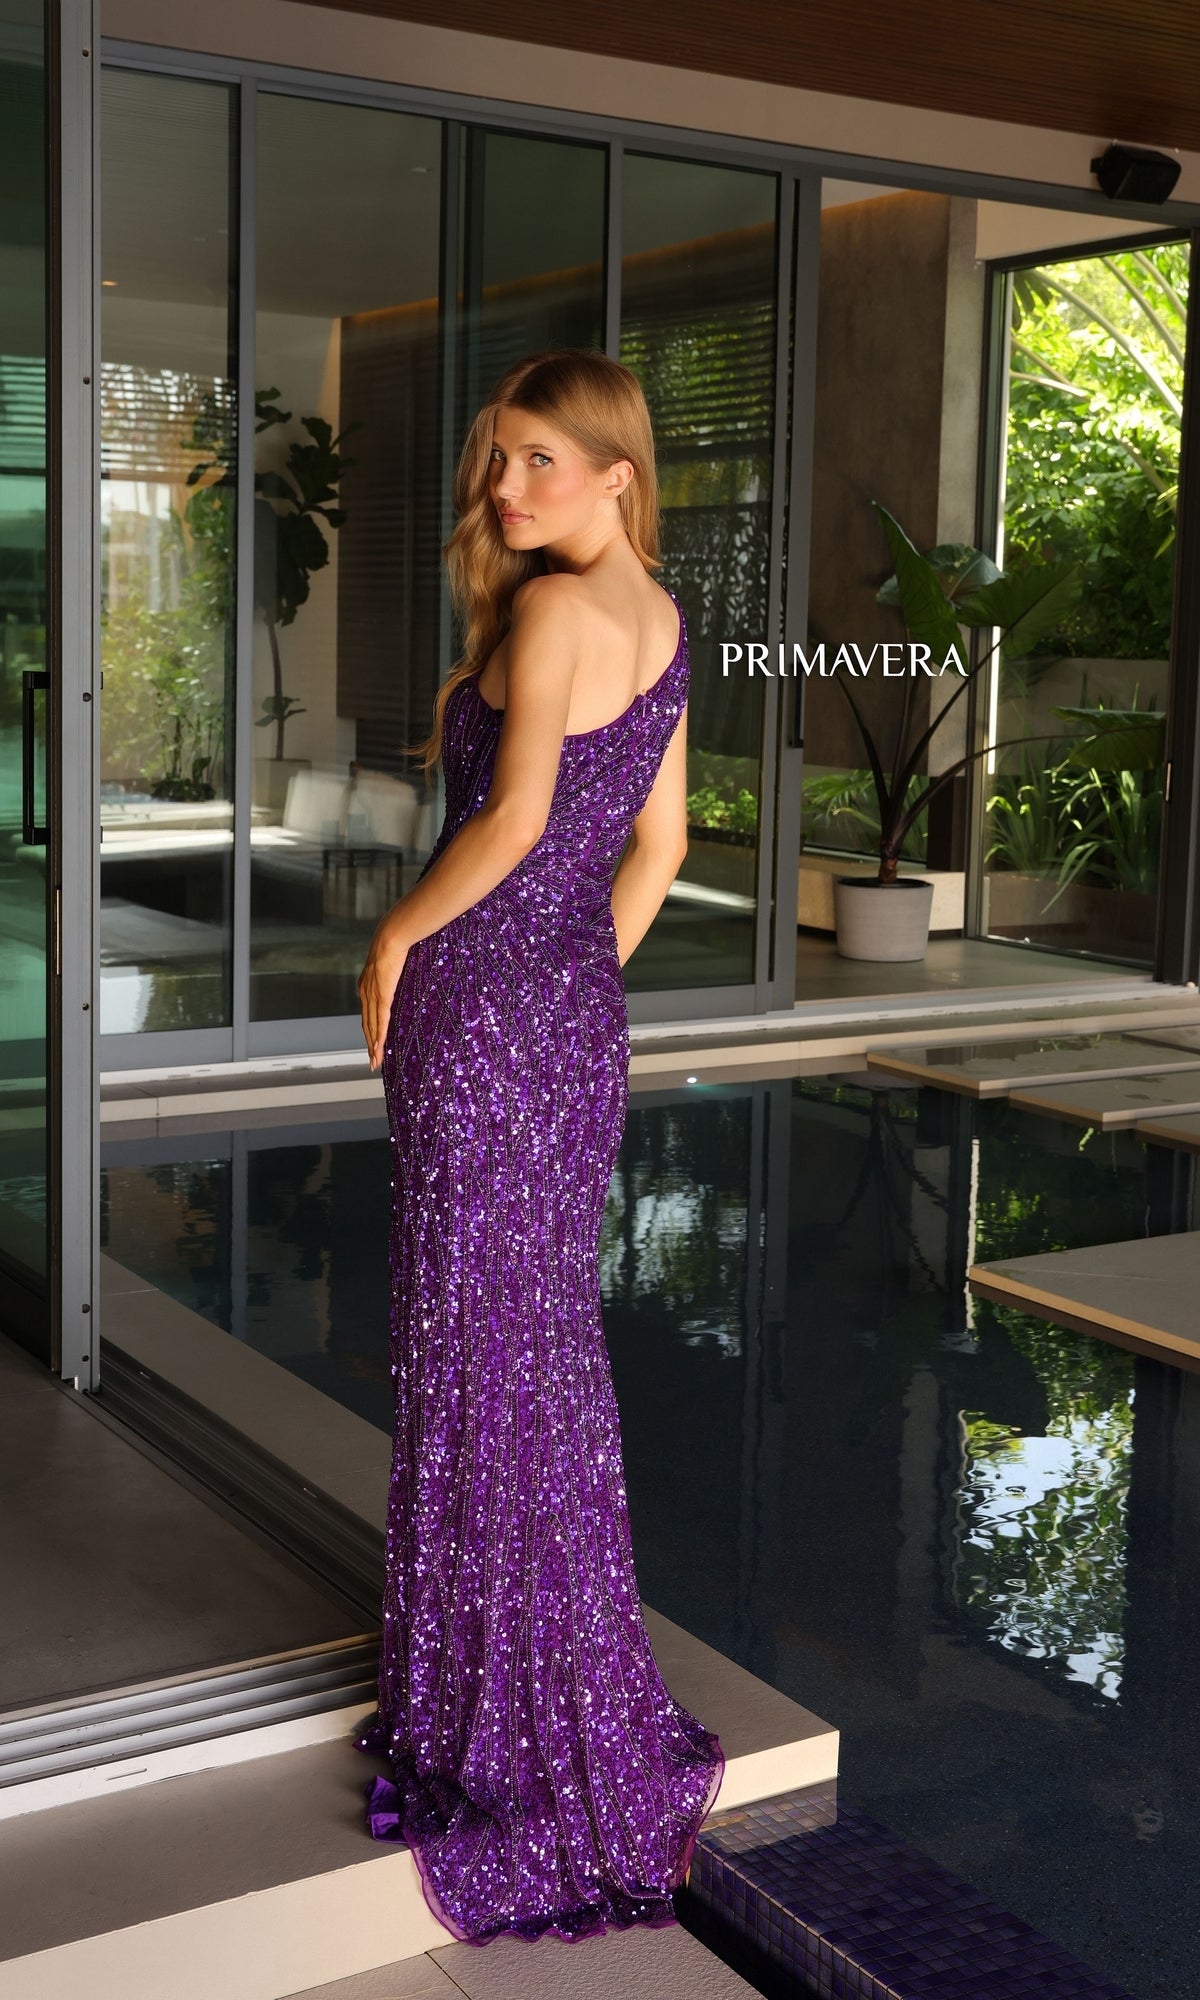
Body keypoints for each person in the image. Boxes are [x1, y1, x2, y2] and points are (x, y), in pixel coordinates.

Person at [353, 348, 724, 1946]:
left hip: (481, 1007)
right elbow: (663, 844)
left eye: (539, 465)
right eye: (498, 465)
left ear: (617, 473)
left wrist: (394, 945)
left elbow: (505, 826)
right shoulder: (662, 623)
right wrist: (575, 972)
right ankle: (531, 1680)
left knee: (472, 1342)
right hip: (565, 1020)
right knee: (535, 1346)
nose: (507, 493)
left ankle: (486, 1715)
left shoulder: (561, 614)